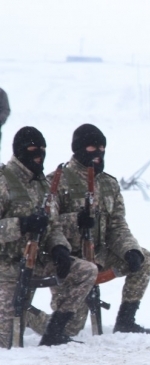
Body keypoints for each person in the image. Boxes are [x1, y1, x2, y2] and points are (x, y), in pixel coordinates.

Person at [26, 124, 150, 336]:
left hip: (100, 254)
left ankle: (126, 320)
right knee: (69, 328)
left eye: (102, 148)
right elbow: (50, 225)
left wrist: (129, 250)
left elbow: (117, 225)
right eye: (91, 148)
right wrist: (76, 221)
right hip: (69, 260)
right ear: (78, 149)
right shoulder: (56, 182)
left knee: (144, 257)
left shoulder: (109, 184)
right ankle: (23, 313)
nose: (98, 153)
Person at [0, 127, 98, 348]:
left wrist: (59, 248)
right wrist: (22, 224)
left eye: (43, 149)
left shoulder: (43, 184)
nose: (39, 154)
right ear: (20, 150)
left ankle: (54, 332)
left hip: (37, 261)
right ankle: (24, 312)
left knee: (86, 270)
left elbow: (52, 225)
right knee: (5, 343)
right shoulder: (3, 181)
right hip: (6, 267)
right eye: (34, 149)